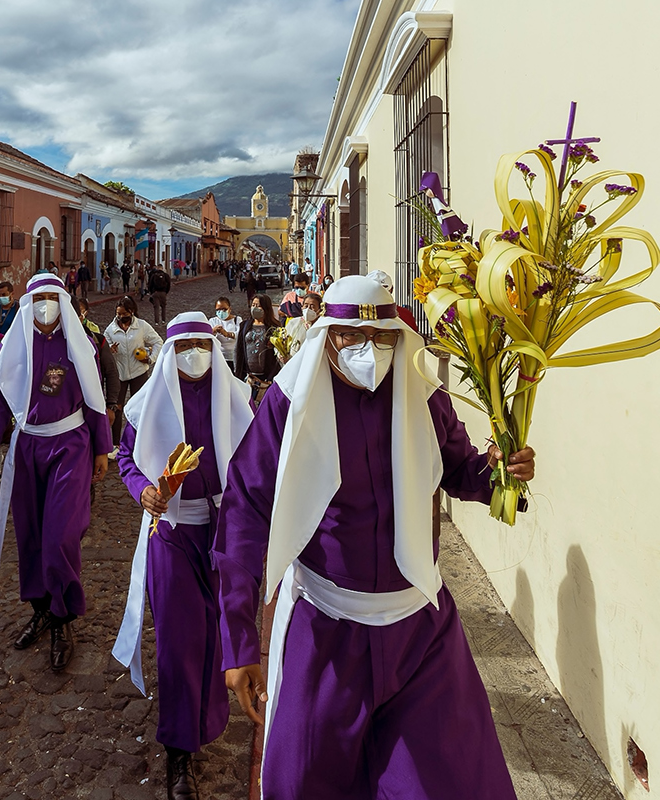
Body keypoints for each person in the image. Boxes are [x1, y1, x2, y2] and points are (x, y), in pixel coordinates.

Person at [215, 276, 536, 799]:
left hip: (419, 631)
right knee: (303, 784)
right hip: (327, 632)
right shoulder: (288, 404)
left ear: (396, 335)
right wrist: (238, 641)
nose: (369, 351)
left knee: (449, 782)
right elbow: (246, 511)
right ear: (327, 337)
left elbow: (459, 469)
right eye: (351, 338)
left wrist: (500, 473)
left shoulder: (420, 398)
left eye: (381, 337)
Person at [113, 312, 256, 799]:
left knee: (217, 636)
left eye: (201, 343)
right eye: (184, 345)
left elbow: (257, 461)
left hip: (222, 535)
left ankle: (205, 722)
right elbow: (127, 459)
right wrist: (143, 492)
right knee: (177, 641)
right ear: (169, 351)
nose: (193, 353)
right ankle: (178, 751)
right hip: (171, 534)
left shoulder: (237, 399)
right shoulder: (146, 402)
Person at [0, 273, 112, 672]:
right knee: (31, 536)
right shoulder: (13, 345)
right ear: (28, 302)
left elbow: (95, 397)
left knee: (61, 535)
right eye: (39, 297)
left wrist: (103, 447)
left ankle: (64, 617)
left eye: (53, 297)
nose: (45, 304)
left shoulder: (79, 344)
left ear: (64, 301)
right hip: (27, 446)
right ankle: (42, 609)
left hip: (70, 445)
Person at [104, 296, 163, 447]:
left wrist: (150, 359)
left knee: (140, 407)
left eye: (124, 314)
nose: (121, 317)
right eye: (118, 314)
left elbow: (158, 342)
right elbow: (104, 351)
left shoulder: (141, 326)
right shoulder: (110, 330)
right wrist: (110, 350)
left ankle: (140, 441)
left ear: (132, 312)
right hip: (120, 374)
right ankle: (115, 443)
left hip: (139, 373)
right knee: (116, 409)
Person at [77, 297, 123, 439]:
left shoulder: (98, 340)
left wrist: (111, 405)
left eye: (78, 314)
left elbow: (111, 373)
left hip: (93, 405)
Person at [233, 294, 280, 403]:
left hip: (266, 378)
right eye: (253, 305)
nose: (254, 308)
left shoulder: (274, 327)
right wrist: (238, 373)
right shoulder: (244, 326)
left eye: (258, 306)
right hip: (248, 376)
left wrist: (271, 377)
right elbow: (238, 350)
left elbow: (278, 355)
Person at [281, 291, 322, 361]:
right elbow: (282, 341)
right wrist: (281, 355)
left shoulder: (321, 327)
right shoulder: (293, 323)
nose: (308, 309)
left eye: (312, 307)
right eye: (306, 306)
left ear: (320, 309)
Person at [209, 297, 242, 373]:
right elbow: (207, 336)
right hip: (219, 357)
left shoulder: (237, 320)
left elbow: (239, 335)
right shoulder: (213, 321)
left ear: (229, 309)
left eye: (224, 309)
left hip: (234, 357)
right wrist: (213, 331)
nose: (221, 312)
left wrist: (227, 334)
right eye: (218, 310)